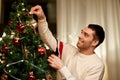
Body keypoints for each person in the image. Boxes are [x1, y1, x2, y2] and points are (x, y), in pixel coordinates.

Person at [29, 5, 105, 80]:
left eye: (86, 35)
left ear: (95, 42)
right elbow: (47, 37)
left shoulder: (97, 65)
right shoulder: (67, 49)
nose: (80, 36)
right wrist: (42, 18)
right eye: (82, 32)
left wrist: (62, 68)